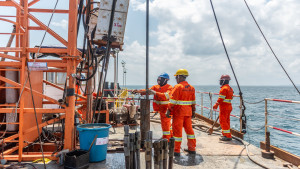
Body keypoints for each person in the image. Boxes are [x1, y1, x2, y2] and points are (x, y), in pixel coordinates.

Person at [134, 73, 173, 141]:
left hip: (166, 109)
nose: (158, 80)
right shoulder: (156, 87)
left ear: (166, 80)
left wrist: (155, 93)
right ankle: (170, 136)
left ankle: (166, 139)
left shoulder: (169, 88)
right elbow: (147, 91)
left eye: (160, 79)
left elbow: (166, 96)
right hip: (160, 109)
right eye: (158, 78)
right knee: (167, 124)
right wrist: (138, 91)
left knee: (165, 124)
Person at [166, 69, 196, 156]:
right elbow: (193, 101)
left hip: (179, 113)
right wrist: (193, 110)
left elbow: (172, 100)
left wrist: (168, 110)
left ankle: (176, 150)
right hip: (188, 113)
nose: (175, 79)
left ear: (179, 76)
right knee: (189, 131)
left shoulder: (178, 87)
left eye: (176, 77)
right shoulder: (191, 88)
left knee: (177, 132)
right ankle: (192, 149)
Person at [213, 74, 234, 141]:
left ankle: (228, 136)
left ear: (224, 81)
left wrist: (216, 104)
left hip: (224, 107)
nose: (220, 82)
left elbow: (221, 98)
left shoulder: (224, 89)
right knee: (227, 121)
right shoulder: (230, 88)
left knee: (222, 121)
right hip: (229, 106)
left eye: (221, 80)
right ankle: (225, 134)